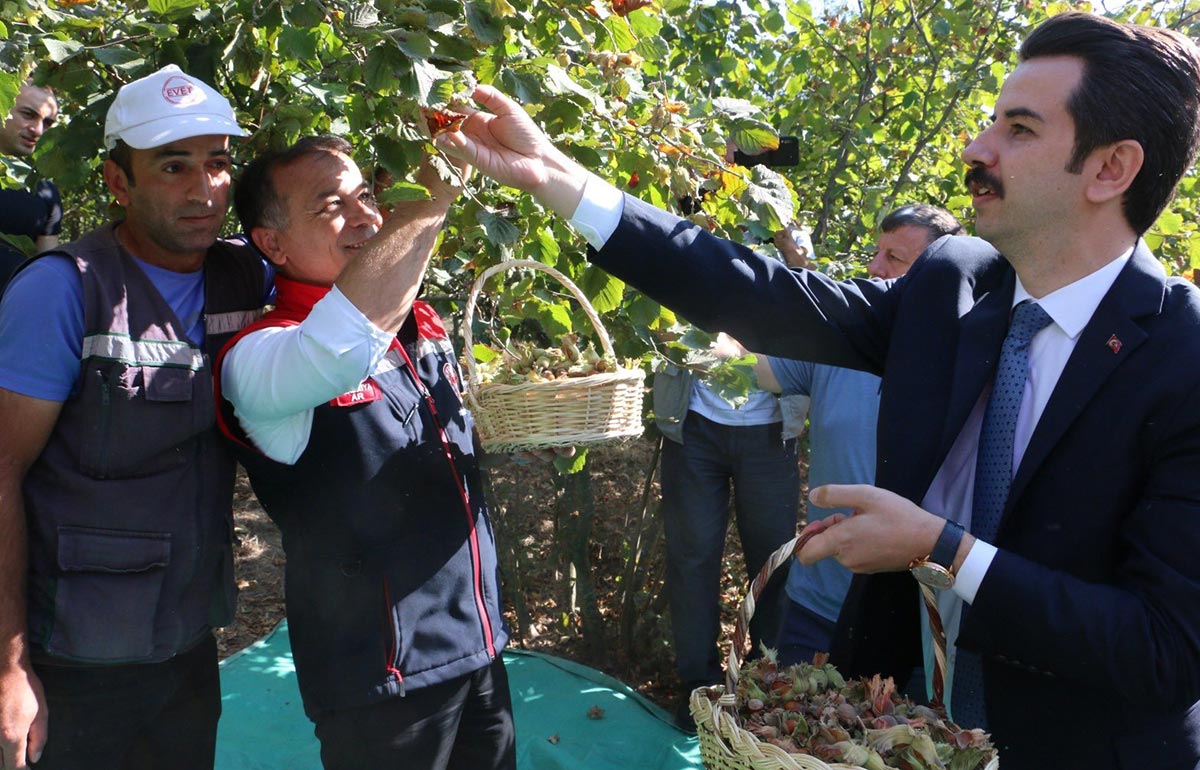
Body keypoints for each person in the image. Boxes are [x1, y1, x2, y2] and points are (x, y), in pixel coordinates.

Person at [434, 12, 1200, 768]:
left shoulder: (1183, 355)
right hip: (896, 739)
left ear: (1111, 169)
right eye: (989, 121)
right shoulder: (954, 286)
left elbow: (1166, 652)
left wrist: (943, 550)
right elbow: (768, 296)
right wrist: (561, 181)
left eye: (1020, 130)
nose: (977, 149)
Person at [0, 65, 269, 770]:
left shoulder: (244, 275)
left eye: (216, 163)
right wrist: (10, 667)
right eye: (174, 166)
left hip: (183, 645)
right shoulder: (64, 294)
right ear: (119, 183)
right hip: (73, 658)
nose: (205, 188)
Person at [215, 137, 514, 770]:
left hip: (477, 645)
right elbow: (343, 344)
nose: (367, 218)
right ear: (272, 243)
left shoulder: (421, 326)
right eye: (332, 206)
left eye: (369, 196)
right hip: (381, 679)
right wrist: (437, 185)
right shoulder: (261, 356)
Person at [750, 206, 962, 667]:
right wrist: (695, 332)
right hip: (815, 606)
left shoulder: (963, 364)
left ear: (937, 279)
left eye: (893, 258)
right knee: (787, 731)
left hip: (910, 617)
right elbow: (758, 369)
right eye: (876, 252)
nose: (874, 268)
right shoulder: (843, 342)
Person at [651, 225, 811, 731]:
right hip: (694, 432)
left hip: (768, 436)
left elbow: (817, 318)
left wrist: (797, 253)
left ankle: (760, 685)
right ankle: (698, 689)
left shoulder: (783, 233)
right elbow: (658, 313)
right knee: (693, 555)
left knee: (771, 560)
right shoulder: (695, 220)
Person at [0, 81, 61, 287]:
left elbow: (48, 275)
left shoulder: (44, 191)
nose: (38, 130)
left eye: (47, 123)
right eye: (28, 114)